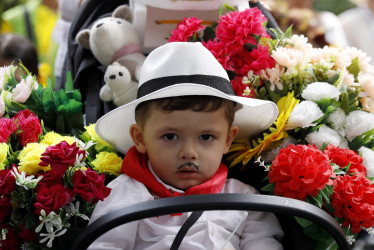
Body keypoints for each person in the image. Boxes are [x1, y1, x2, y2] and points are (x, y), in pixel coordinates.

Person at [89, 42, 283, 249]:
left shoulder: (244, 199)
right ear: (140, 138)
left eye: (206, 137)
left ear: (228, 139)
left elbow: (263, 243)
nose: (189, 153)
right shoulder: (127, 196)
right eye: (170, 136)